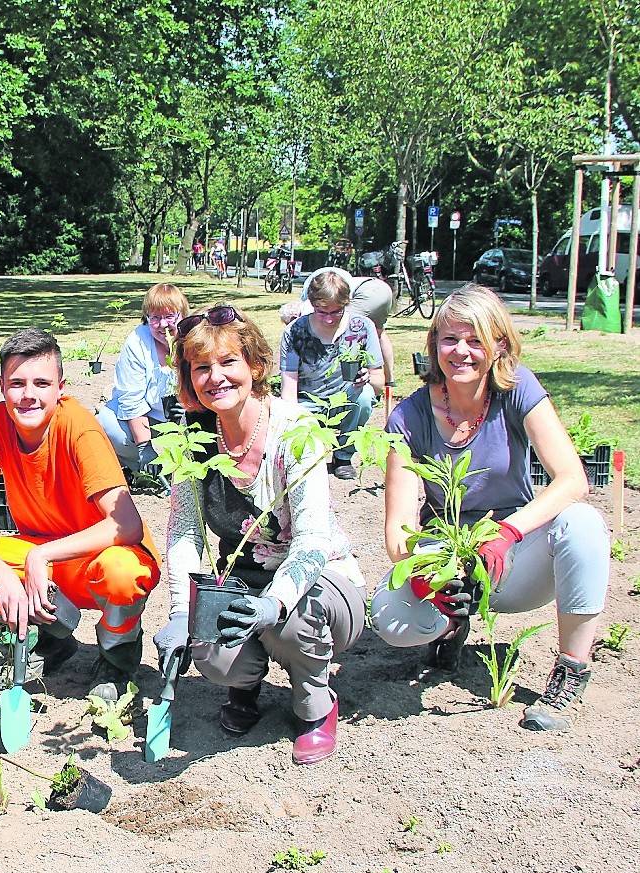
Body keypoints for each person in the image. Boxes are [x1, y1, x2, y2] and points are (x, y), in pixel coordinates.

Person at [370, 285, 610, 733]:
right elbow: (399, 529)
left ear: (499, 345)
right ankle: (448, 627)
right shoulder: (407, 417)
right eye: (449, 339)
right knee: (392, 620)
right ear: (433, 344)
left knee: (583, 525)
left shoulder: (516, 390)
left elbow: (572, 478)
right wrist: (427, 576)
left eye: (475, 339)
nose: (461, 351)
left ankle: (571, 672)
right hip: (449, 558)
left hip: (513, 559)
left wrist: (510, 531)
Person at [156, 305, 366, 764]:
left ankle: (315, 706)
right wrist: (180, 612)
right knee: (209, 646)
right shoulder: (191, 440)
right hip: (243, 578)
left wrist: (275, 601)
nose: (216, 378)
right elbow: (185, 534)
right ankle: (244, 687)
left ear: (255, 365)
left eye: (229, 362)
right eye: (201, 368)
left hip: (322, 583)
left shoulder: (297, 430)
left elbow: (311, 541)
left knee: (290, 626)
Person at [0, 328, 161, 705]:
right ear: (1, 385)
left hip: (93, 553)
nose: (28, 394)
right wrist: (3, 576)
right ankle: (39, 638)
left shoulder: (78, 427)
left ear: (61, 387)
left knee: (122, 574)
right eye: (16, 383)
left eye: (41, 383)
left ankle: (117, 659)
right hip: (39, 552)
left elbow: (127, 524)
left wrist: (42, 556)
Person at [278, 270, 384, 479]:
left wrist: (367, 378)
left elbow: (379, 381)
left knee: (364, 396)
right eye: (322, 312)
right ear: (311, 304)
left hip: (345, 399)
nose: (328, 319)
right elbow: (288, 388)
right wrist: (292, 421)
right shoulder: (295, 332)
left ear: (347, 305)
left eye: (336, 312)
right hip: (307, 402)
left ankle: (343, 456)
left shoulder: (362, 327)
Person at [96, 283, 185, 477]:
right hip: (149, 417)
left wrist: (190, 407)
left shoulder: (194, 338)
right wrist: (145, 447)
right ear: (147, 318)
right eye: (155, 318)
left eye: (170, 316)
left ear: (182, 315)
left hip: (190, 415)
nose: (163, 325)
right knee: (107, 425)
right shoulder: (136, 342)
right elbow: (131, 399)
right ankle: (140, 468)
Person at [285, 266, 397, 386]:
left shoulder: (308, 301)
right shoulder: (320, 281)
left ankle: (339, 380)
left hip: (367, 292)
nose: (328, 319)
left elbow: (312, 321)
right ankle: (389, 380)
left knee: (349, 330)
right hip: (383, 288)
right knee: (378, 332)